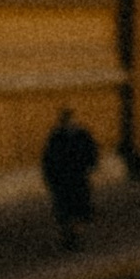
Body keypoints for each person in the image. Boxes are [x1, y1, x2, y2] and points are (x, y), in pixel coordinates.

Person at [38, 106, 99, 252]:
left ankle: (72, 237)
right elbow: (92, 154)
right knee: (72, 209)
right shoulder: (77, 135)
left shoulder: (59, 136)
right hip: (72, 178)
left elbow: (48, 159)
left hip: (68, 178)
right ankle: (72, 237)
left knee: (69, 209)